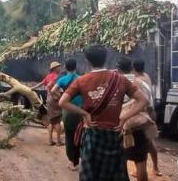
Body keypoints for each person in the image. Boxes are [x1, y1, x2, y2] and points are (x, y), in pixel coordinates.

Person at [59, 44, 148, 181]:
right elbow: (143, 100)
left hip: (93, 135)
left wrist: (85, 114)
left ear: (87, 61)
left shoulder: (81, 81)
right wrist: (123, 117)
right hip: (114, 136)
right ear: (106, 58)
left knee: (91, 176)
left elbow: (62, 102)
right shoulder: (121, 79)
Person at [117, 57, 149, 181]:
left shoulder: (118, 83)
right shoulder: (140, 81)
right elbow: (147, 103)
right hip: (140, 124)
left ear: (118, 68)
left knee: (121, 161)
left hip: (123, 125)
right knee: (141, 161)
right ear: (131, 68)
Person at [51, 59, 83, 171]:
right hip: (80, 111)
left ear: (65, 67)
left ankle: (73, 163)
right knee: (81, 135)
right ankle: (84, 160)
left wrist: (61, 98)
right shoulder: (81, 79)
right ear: (76, 66)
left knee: (69, 136)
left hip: (68, 110)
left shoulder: (63, 79)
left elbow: (53, 90)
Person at [133, 59, 161, 177]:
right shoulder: (146, 76)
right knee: (150, 141)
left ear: (133, 69)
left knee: (139, 143)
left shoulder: (136, 81)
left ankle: (139, 170)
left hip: (145, 113)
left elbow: (138, 101)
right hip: (152, 111)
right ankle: (155, 167)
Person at [32, 61, 63, 146]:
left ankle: (50, 141)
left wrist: (32, 88)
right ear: (55, 68)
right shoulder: (57, 77)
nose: (60, 68)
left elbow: (41, 83)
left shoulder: (48, 76)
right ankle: (58, 141)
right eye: (58, 67)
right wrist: (59, 97)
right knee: (57, 120)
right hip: (55, 99)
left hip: (49, 99)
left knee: (51, 121)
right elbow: (50, 86)